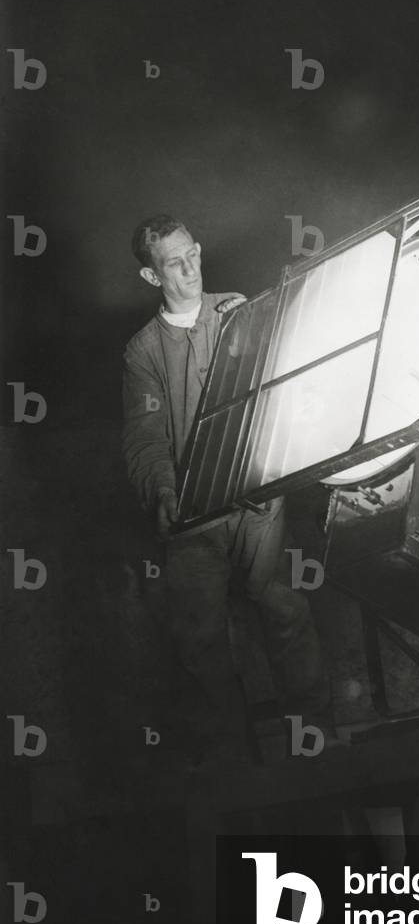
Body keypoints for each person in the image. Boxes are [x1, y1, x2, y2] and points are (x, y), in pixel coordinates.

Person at [122, 214, 333, 763]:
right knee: (201, 641)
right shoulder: (143, 352)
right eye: (174, 262)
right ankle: (236, 771)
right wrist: (164, 494)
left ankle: (316, 743)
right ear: (151, 277)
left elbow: (278, 385)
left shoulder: (236, 310)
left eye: (193, 252)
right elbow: (145, 437)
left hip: (257, 498)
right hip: (193, 515)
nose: (191, 267)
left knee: (284, 607)